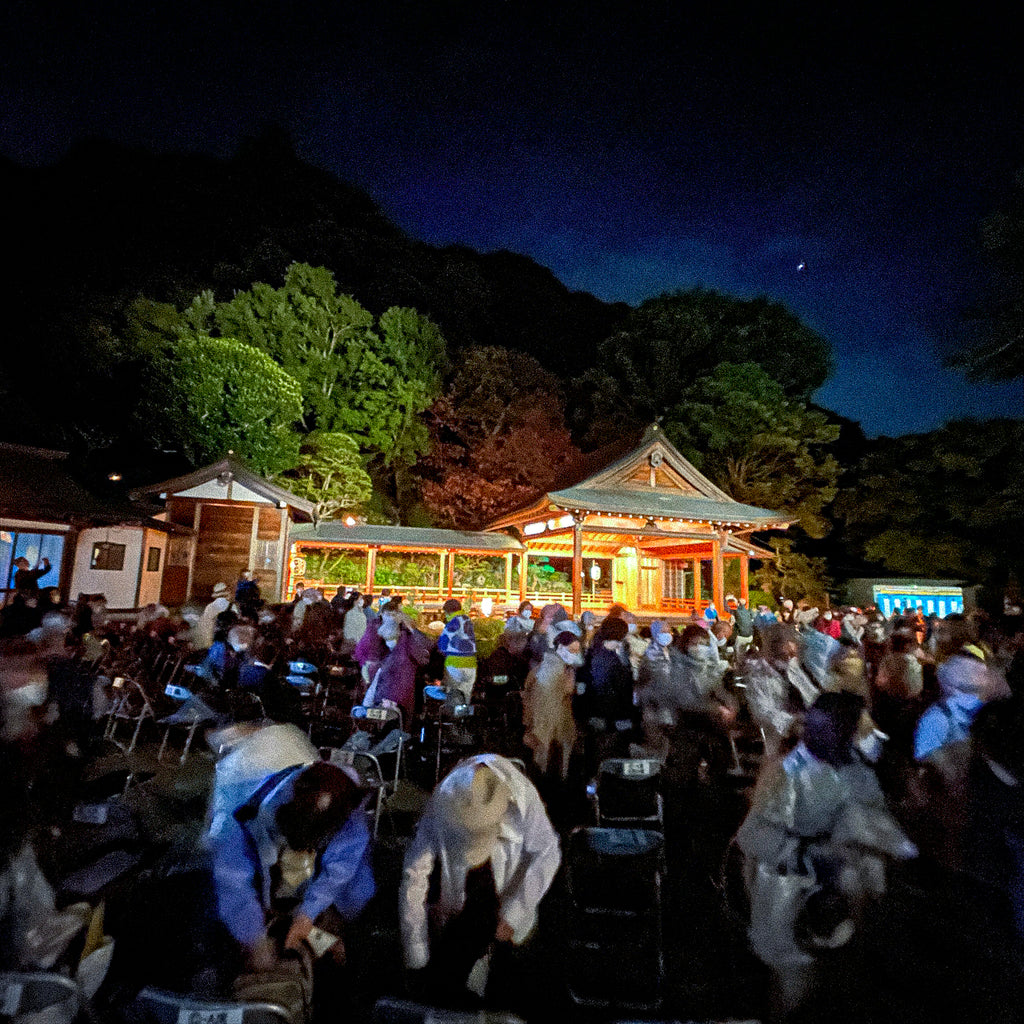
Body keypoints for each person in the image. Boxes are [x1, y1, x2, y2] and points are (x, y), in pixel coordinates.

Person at [400, 754, 560, 1002]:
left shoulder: (523, 796)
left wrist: (515, 913)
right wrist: (416, 952)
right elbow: (415, 874)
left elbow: (548, 853)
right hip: (457, 913)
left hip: (509, 902)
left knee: (511, 993)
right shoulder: (445, 800)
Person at [210, 761, 374, 970]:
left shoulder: (347, 805)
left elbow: (341, 867)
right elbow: (232, 880)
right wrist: (254, 938)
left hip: (322, 894)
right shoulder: (247, 810)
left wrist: (308, 914)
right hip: (261, 890)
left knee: (339, 953)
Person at [523, 630, 581, 781]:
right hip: (548, 720)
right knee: (545, 758)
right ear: (560, 647)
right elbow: (551, 697)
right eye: (572, 650)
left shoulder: (550, 665)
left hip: (548, 720)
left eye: (576, 651)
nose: (574, 654)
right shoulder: (554, 669)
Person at [437, 598, 478, 704]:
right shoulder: (467, 620)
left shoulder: (453, 621)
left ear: (448, 611)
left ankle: (452, 718)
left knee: (453, 696)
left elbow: (443, 643)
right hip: (471, 664)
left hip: (455, 664)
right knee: (466, 696)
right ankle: (464, 718)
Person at [194, 583, 231, 650]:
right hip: (227, 640)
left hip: (212, 639)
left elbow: (206, 625)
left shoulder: (210, 607)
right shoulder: (232, 606)